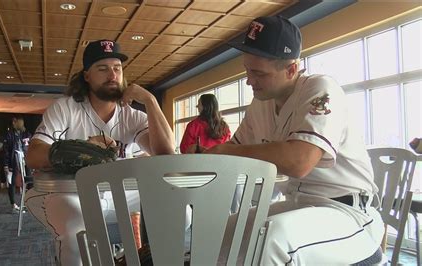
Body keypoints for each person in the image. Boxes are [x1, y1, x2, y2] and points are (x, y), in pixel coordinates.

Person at [206, 16, 385, 264]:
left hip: (349, 214)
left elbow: (300, 161)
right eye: (247, 70)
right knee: (218, 233)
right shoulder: (260, 103)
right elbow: (231, 151)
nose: (249, 81)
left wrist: (225, 152)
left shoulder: (320, 88)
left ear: (291, 69)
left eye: (258, 73)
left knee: (273, 238)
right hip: (299, 205)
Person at [25, 39, 175, 265]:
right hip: (73, 193)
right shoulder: (65, 108)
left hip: (123, 195)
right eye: (102, 69)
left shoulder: (131, 115)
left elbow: (165, 153)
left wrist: (150, 100)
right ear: (87, 76)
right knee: (75, 229)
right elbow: (33, 155)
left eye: (117, 68)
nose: (112, 75)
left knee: (179, 213)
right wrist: (80, 150)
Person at [3, 116, 32, 213]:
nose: (19, 124)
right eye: (16, 122)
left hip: (26, 160)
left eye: (20, 122)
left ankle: (29, 203)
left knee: (29, 181)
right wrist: (6, 165)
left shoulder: (26, 134)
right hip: (14, 161)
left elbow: (30, 146)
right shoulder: (9, 135)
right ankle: (13, 205)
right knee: (12, 182)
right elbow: (6, 150)